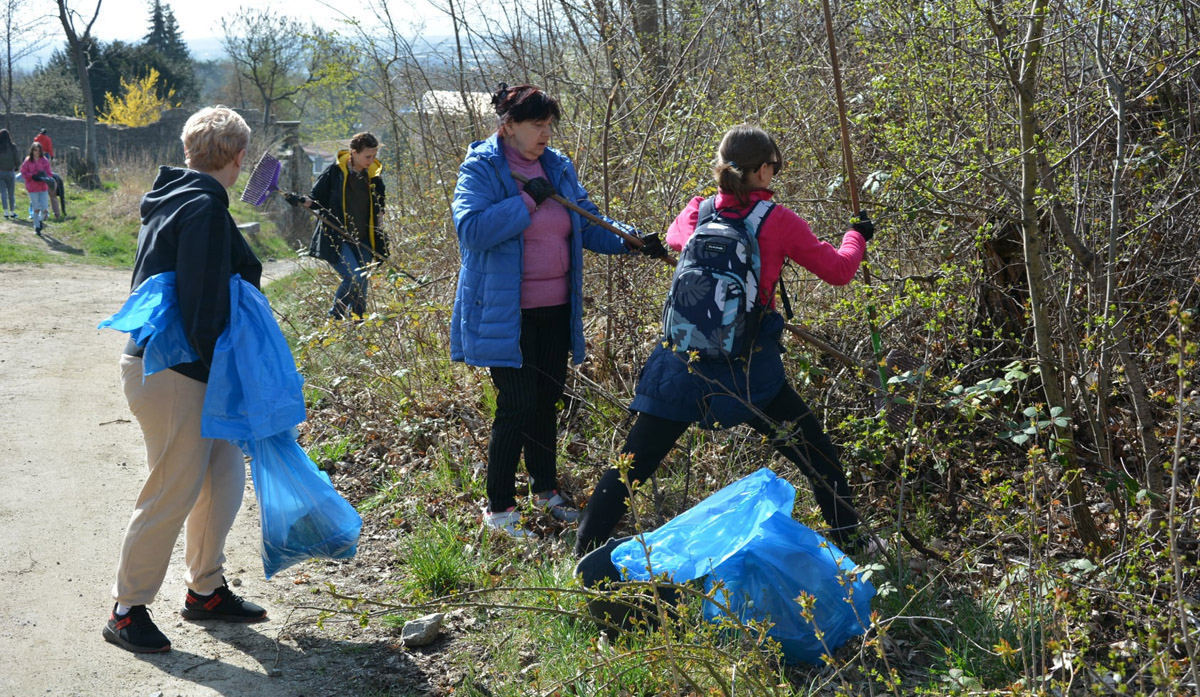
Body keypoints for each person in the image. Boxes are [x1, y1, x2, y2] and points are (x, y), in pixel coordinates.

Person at [574, 124, 875, 556]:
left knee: (633, 463)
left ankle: (585, 553)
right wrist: (857, 236)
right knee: (818, 456)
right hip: (750, 369)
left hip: (683, 360)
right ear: (764, 169)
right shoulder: (778, 221)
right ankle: (853, 543)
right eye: (775, 166)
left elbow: (677, 238)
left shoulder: (700, 208)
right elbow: (840, 271)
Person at [451, 83, 667, 538]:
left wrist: (632, 241)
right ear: (508, 126)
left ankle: (545, 492)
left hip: (556, 308)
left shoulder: (556, 166)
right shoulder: (482, 169)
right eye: (537, 124)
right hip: (503, 314)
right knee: (517, 404)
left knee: (547, 401)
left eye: (549, 124)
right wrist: (529, 199)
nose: (546, 132)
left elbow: (587, 222)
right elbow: (471, 230)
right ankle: (498, 508)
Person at [102, 106, 267, 655]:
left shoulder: (175, 198)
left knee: (221, 476)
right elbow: (202, 308)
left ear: (189, 150)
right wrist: (239, 371)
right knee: (173, 488)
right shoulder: (202, 210)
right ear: (240, 158)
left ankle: (206, 590)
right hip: (175, 371)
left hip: (174, 366)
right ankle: (126, 610)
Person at [297, 132, 386, 319]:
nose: (372, 160)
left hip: (364, 238)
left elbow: (379, 210)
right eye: (368, 156)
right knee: (355, 277)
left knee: (363, 283)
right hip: (337, 237)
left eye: (374, 156)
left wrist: (380, 236)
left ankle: (358, 322)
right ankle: (334, 317)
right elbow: (315, 200)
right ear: (353, 153)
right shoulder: (334, 173)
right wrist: (300, 200)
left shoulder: (374, 178)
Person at [20, 142, 52, 235]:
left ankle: (40, 220)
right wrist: (32, 176)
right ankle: (36, 227)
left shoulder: (44, 160)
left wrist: (44, 176)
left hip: (43, 187)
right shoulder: (28, 160)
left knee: (45, 209)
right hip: (32, 187)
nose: (37, 152)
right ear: (32, 150)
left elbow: (49, 173)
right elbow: (23, 172)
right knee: (36, 208)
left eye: (38, 150)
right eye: (35, 150)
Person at [0, 129, 20, 219]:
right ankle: (12, 212)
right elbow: (17, 159)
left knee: (3, 193)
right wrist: (16, 166)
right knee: (11, 193)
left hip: (0, 172)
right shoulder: (13, 146)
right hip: (10, 171)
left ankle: (5, 212)